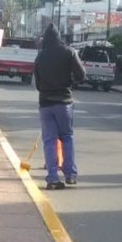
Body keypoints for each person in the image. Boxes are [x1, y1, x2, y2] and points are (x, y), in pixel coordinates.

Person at [33, 23, 86, 190]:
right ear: (59, 37)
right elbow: (81, 75)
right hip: (64, 102)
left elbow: (38, 85)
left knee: (49, 141)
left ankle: (52, 178)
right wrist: (71, 82)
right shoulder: (69, 52)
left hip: (45, 104)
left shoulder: (40, 57)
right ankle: (70, 175)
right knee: (66, 138)